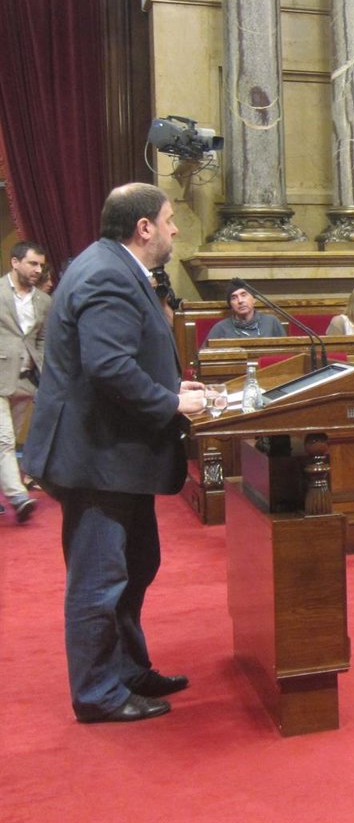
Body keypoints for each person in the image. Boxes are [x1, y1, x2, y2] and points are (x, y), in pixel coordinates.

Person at [25, 182, 207, 723]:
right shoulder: (107, 271)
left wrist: (175, 392)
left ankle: (127, 669)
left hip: (114, 456)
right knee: (100, 581)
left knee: (135, 564)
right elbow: (109, 367)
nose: (175, 229)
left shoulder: (110, 264)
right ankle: (98, 693)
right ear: (143, 227)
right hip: (96, 459)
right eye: (170, 219)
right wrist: (172, 402)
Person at [0, 241, 49, 523]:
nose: (38, 270)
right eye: (32, 263)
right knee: (4, 440)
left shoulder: (44, 301)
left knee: (6, 439)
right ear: (15, 262)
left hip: (26, 379)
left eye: (40, 265)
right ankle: (18, 496)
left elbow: (43, 338)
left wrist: (39, 362)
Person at [205, 284, 286, 343]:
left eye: (244, 295)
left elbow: (287, 353)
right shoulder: (220, 328)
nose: (240, 301)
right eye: (234, 298)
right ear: (230, 305)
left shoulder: (271, 322)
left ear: (254, 299)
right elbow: (204, 357)